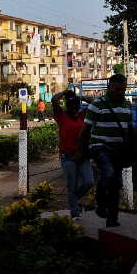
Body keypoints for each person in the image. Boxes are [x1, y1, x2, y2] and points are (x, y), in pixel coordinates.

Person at [78, 73, 133, 228]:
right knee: (107, 172)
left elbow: (128, 129)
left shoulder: (127, 105)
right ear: (109, 87)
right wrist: (81, 151)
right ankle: (100, 202)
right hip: (99, 146)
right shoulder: (97, 104)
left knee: (116, 185)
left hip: (119, 150)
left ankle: (112, 219)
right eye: (117, 89)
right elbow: (85, 131)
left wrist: (130, 150)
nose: (120, 92)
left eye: (123, 89)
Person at [52, 90, 93, 219]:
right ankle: (75, 212)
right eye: (71, 106)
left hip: (82, 156)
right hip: (68, 156)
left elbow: (95, 103)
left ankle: (74, 199)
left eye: (76, 105)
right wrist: (64, 92)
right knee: (72, 184)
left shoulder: (83, 116)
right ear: (67, 106)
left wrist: (79, 96)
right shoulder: (61, 116)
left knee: (88, 182)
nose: (74, 108)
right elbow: (54, 100)